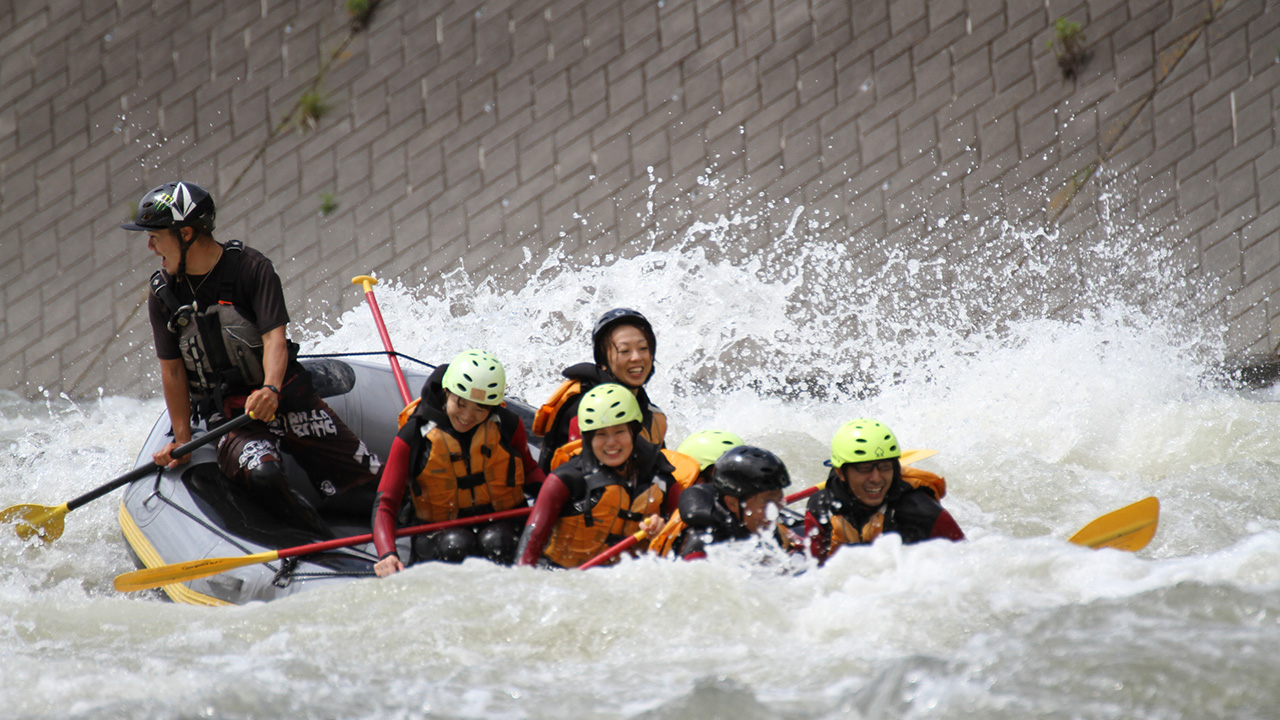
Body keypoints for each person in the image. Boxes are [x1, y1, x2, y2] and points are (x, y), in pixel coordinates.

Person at [124, 181, 381, 533]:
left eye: (155, 236)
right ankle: (315, 538)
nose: (151, 246)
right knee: (264, 473)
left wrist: (271, 389)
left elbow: (275, 337)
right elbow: (172, 371)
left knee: (372, 487)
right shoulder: (163, 294)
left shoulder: (251, 268)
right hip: (229, 415)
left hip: (285, 397)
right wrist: (183, 439)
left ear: (185, 233)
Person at [372, 350, 545, 574]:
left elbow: (530, 471)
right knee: (457, 545)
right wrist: (387, 554)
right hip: (437, 534)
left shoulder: (507, 425)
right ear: (447, 393)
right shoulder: (414, 434)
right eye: (460, 403)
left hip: (501, 524)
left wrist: (554, 504)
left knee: (498, 541)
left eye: (480, 408)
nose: (467, 416)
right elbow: (385, 503)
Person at [515, 384, 697, 568]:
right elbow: (529, 549)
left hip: (626, 581)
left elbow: (682, 536)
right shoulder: (565, 480)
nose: (611, 443)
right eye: (600, 434)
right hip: (563, 576)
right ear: (587, 438)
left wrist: (664, 527)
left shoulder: (661, 476)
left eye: (620, 432)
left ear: (634, 432)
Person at [805, 419, 963, 563]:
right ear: (840, 473)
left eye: (885, 467)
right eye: (864, 469)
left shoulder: (921, 512)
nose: (876, 478)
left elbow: (965, 562)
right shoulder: (822, 507)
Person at [532, 308, 667, 472]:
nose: (637, 357)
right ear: (603, 361)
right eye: (624, 351)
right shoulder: (585, 406)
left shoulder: (650, 412)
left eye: (643, 348)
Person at [651, 445, 803, 560]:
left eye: (778, 500)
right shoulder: (702, 542)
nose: (775, 511)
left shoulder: (768, 528)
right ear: (732, 503)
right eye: (765, 503)